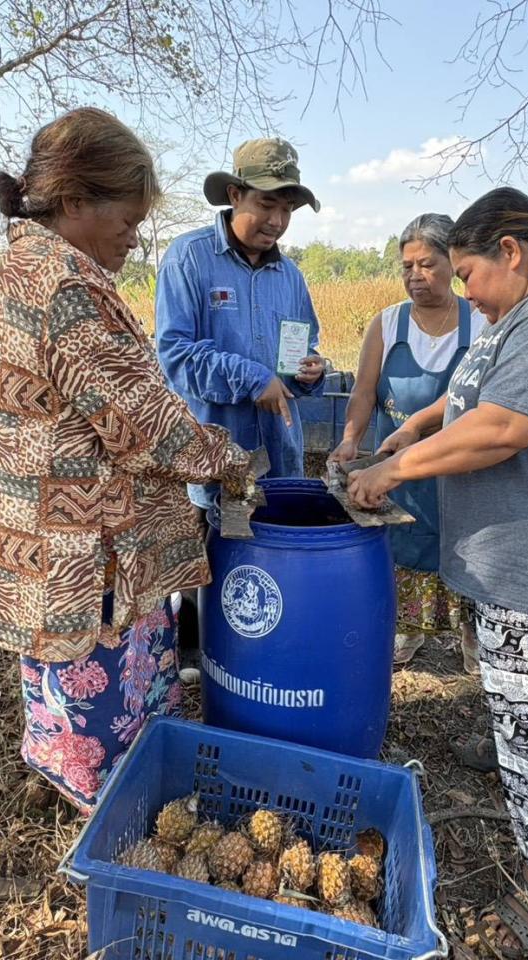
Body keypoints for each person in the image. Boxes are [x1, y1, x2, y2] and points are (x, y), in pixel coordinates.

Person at [347, 188, 528, 952]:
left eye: (468, 271)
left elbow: (507, 425)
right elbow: (472, 397)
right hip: (509, 553)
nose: (465, 290)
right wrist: (415, 422)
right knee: (522, 699)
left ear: (511, 252)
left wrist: (399, 469)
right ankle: (512, 747)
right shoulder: (522, 316)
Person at [0, 108, 251, 813]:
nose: (135, 237)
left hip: (44, 534)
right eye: (126, 220)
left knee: (66, 685)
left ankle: (77, 783)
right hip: (83, 547)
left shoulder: (30, 263)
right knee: (101, 693)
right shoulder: (67, 285)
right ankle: (114, 814)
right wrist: (227, 459)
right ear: (73, 202)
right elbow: (147, 429)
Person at [155, 138, 325, 676]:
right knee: (210, 557)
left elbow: (298, 356)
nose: (276, 220)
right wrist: (254, 378)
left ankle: (257, 655)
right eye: (266, 204)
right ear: (234, 195)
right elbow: (176, 356)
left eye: (286, 210)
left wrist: (309, 373)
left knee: (264, 556)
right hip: (213, 447)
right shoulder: (190, 258)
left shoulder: (290, 278)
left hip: (275, 448)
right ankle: (203, 658)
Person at [329, 213, 483, 673]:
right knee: (404, 543)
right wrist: (351, 439)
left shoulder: (480, 320)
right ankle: (408, 631)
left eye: (428, 264)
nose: (415, 276)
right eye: (406, 265)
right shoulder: (388, 323)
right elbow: (364, 391)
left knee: (462, 545)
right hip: (395, 460)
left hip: (458, 466)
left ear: (453, 263)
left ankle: (473, 637)